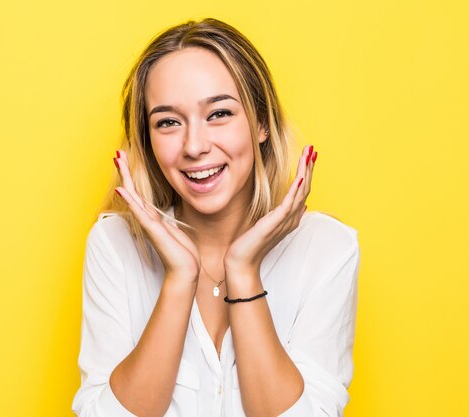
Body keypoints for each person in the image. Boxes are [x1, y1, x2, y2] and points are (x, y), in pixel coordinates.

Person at [71, 17, 360, 417]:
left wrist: (242, 270)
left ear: (261, 123)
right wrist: (179, 278)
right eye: (168, 122)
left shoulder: (328, 249)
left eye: (219, 114)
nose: (194, 146)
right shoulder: (115, 246)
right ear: (147, 140)